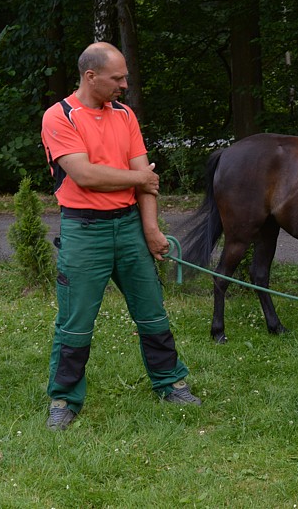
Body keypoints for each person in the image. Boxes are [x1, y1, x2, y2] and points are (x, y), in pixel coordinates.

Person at [41, 42, 200, 431]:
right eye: (118, 78)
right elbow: (86, 175)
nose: (125, 85)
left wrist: (151, 229)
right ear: (90, 77)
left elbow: (148, 183)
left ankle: (170, 382)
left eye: (125, 77)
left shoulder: (124, 115)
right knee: (75, 322)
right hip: (84, 230)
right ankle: (64, 399)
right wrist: (139, 178)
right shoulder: (59, 116)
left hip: (130, 227)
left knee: (152, 312)